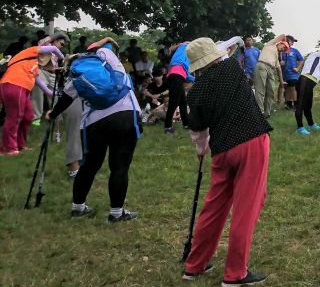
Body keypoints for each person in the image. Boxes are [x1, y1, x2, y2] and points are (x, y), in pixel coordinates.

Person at [181, 38, 272, 287]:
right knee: (246, 207)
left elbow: (198, 131)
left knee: (214, 207)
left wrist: (202, 151)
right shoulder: (231, 68)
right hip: (251, 141)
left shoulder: (195, 92)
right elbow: (229, 47)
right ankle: (235, 273)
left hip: (221, 150)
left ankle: (195, 264)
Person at [47, 37, 141, 222]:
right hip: (125, 115)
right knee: (119, 167)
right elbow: (101, 47)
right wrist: (108, 40)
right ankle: (116, 213)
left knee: (89, 166)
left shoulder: (78, 72)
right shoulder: (107, 56)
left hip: (93, 123)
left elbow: (66, 98)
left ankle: (78, 208)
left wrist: (52, 114)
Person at [1, 40, 65, 154]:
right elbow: (54, 49)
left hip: (22, 89)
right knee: (14, 117)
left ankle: (20, 145)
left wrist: (52, 93)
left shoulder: (33, 63)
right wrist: (63, 58)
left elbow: (39, 82)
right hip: (14, 84)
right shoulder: (30, 51)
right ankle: (8, 148)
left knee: (28, 116)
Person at [253, 35, 288, 117]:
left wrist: (282, 82)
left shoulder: (276, 56)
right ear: (280, 43)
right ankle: (260, 113)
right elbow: (283, 35)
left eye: (285, 49)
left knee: (271, 92)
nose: (283, 49)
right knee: (260, 90)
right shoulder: (271, 44)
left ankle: (267, 113)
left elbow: (279, 70)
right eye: (284, 47)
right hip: (262, 65)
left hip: (271, 70)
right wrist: (285, 41)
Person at [164, 42, 193, 135]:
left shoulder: (181, 60)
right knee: (173, 103)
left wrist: (196, 79)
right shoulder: (184, 47)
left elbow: (186, 74)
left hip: (178, 77)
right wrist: (186, 43)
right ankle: (168, 127)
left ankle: (186, 124)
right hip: (176, 77)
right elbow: (183, 69)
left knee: (183, 102)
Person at [281, 43, 303, 110]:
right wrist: (280, 62)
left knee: (293, 88)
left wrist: (298, 68)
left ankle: (296, 105)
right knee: (288, 89)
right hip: (284, 74)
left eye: (293, 41)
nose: (292, 43)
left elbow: (301, 60)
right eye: (291, 41)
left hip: (293, 74)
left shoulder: (294, 50)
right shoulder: (281, 51)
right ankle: (289, 105)